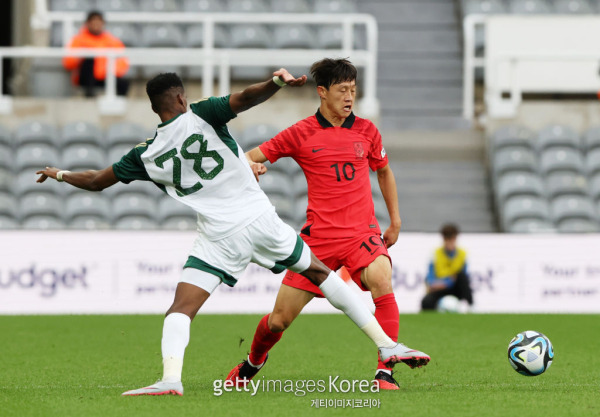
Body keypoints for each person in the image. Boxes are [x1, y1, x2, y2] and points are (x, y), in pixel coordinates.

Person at [36, 69, 430, 396]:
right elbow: (245, 98)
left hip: (216, 236)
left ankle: (171, 379)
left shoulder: (144, 153)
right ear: (180, 99)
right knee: (321, 275)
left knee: (181, 308)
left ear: (155, 107)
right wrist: (275, 83)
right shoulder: (202, 114)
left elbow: (97, 181)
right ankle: (387, 345)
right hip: (257, 219)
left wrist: (60, 174)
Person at [225, 58, 428, 391]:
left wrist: (395, 220)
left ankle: (385, 372)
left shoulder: (367, 131)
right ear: (322, 92)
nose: (350, 97)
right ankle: (250, 365)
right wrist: (250, 167)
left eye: (353, 90)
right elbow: (249, 157)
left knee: (381, 276)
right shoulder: (302, 132)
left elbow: (384, 171)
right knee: (278, 321)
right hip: (318, 241)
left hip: (362, 234)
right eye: (342, 90)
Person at [62, 10, 130, 97]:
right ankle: (89, 97)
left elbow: (123, 61)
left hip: (105, 76)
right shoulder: (79, 40)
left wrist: (109, 70)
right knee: (89, 60)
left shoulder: (111, 41)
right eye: (93, 22)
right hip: (86, 77)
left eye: (98, 22)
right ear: (88, 23)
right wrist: (80, 58)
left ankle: (118, 105)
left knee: (123, 84)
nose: (96, 26)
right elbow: (68, 62)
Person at [421, 223, 473, 312]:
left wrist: (449, 282)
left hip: (455, 289)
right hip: (440, 288)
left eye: (452, 239)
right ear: (443, 239)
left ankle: (469, 307)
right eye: (447, 239)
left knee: (462, 277)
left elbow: (463, 278)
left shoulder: (462, 254)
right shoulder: (435, 254)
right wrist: (449, 281)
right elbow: (430, 279)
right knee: (426, 302)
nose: (450, 242)